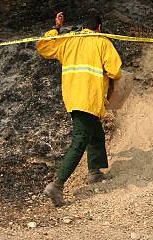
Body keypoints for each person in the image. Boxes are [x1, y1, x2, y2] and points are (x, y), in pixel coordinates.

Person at [36, 11, 122, 207]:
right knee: (80, 140)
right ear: (99, 28)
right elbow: (115, 71)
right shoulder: (102, 41)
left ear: (83, 27)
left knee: (95, 131)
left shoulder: (68, 40)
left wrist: (56, 28)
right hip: (89, 97)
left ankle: (95, 171)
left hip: (73, 97)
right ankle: (57, 185)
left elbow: (43, 47)